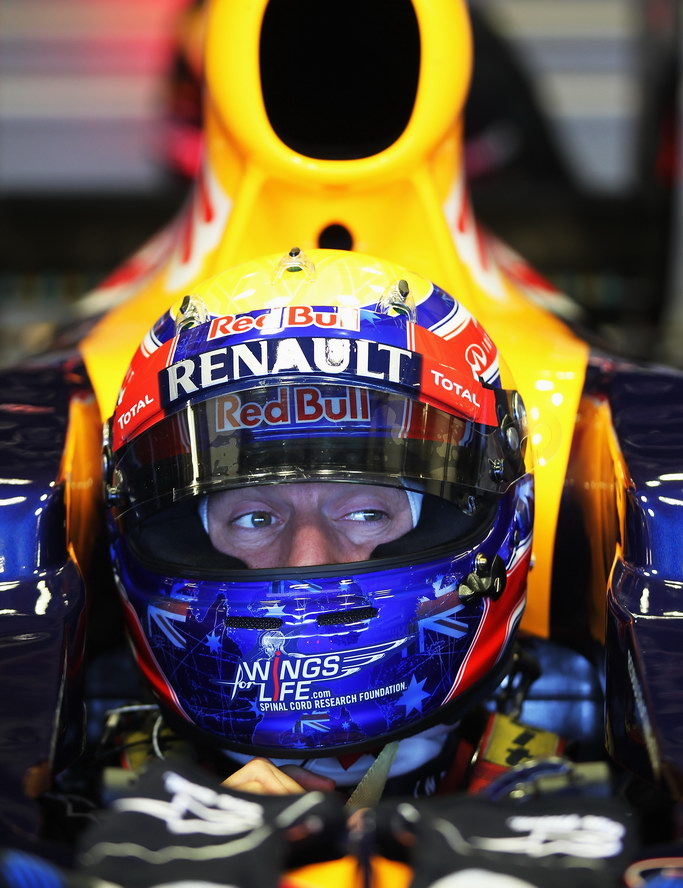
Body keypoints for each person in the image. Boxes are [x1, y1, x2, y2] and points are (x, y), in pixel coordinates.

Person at [103, 247, 534, 803]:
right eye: (255, 518)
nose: (308, 560)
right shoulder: (69, 802)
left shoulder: (580, 790)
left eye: (365, 513)